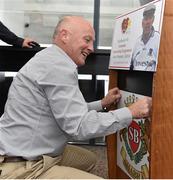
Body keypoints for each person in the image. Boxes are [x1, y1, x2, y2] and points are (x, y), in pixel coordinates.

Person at [0, 16, 152, 179]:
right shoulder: (58, 67)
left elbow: (66, 111)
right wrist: (130, 112)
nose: (91, 48)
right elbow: (79, 127)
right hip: (20, 166)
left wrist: (102, 103)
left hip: (25, 148)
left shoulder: (50, 58)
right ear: (64, 35)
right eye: (87, 40)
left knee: (88, 159)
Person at [130, 4, 160, 71]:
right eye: (146, 19)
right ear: (142, 22)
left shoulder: (158, 39)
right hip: (136, 79)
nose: (148, 22)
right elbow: (131, 65)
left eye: (150, 18)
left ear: (153, 19)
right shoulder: (136, 42)